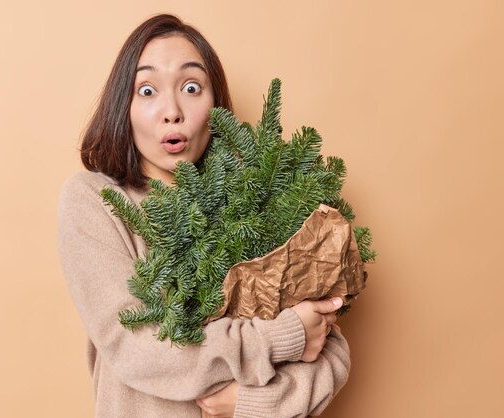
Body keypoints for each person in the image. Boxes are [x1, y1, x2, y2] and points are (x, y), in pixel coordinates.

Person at [57, 14, 350, 418]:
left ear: (217, 107)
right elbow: (137, 348)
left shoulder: (256, 201)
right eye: (147, 90)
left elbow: (330, 350)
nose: (172, 111)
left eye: (191, 87)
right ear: (122, 107)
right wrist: (282, 337)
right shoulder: (95, 202)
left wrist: (252, 402)